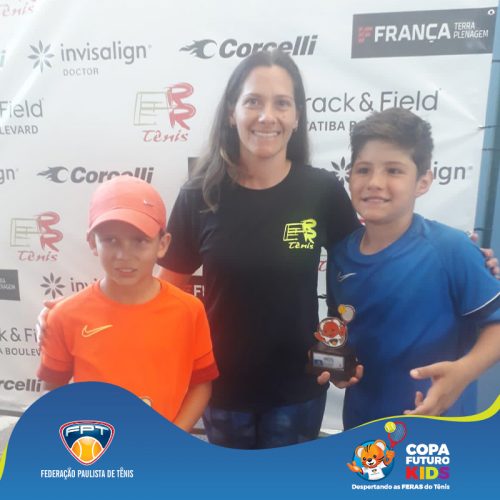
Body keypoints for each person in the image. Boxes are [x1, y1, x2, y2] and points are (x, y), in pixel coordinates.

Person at [158, 49, 360, 448]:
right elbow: (163, 297)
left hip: (298, 392)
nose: (267, 116)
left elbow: (367, 267)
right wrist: (81, 314)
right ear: (231, 113)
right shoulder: (199, 195)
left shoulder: (322, 191)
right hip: (221, 390)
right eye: (253, 101)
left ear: (297, 116)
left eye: (281, 103)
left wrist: (457, 255)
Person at [326, 108, 500, 429]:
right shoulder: (339, 256)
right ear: (349, 177)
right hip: (362, 427)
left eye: (393, 170)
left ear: (423, 181)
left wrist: (463, 372)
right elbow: (341, 331)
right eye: (363, 169)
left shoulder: (451, 249)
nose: (375, 183)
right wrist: (338, 367)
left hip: (437, 427)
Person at [37, 176, 218, 432]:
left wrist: (172, 438)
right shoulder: (64, 316)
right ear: (92, 243)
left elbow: (201, 384)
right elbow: (53, 393)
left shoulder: (189, 310)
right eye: (111, 240)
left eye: (139, 240)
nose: (124, 255)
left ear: (162, 244)